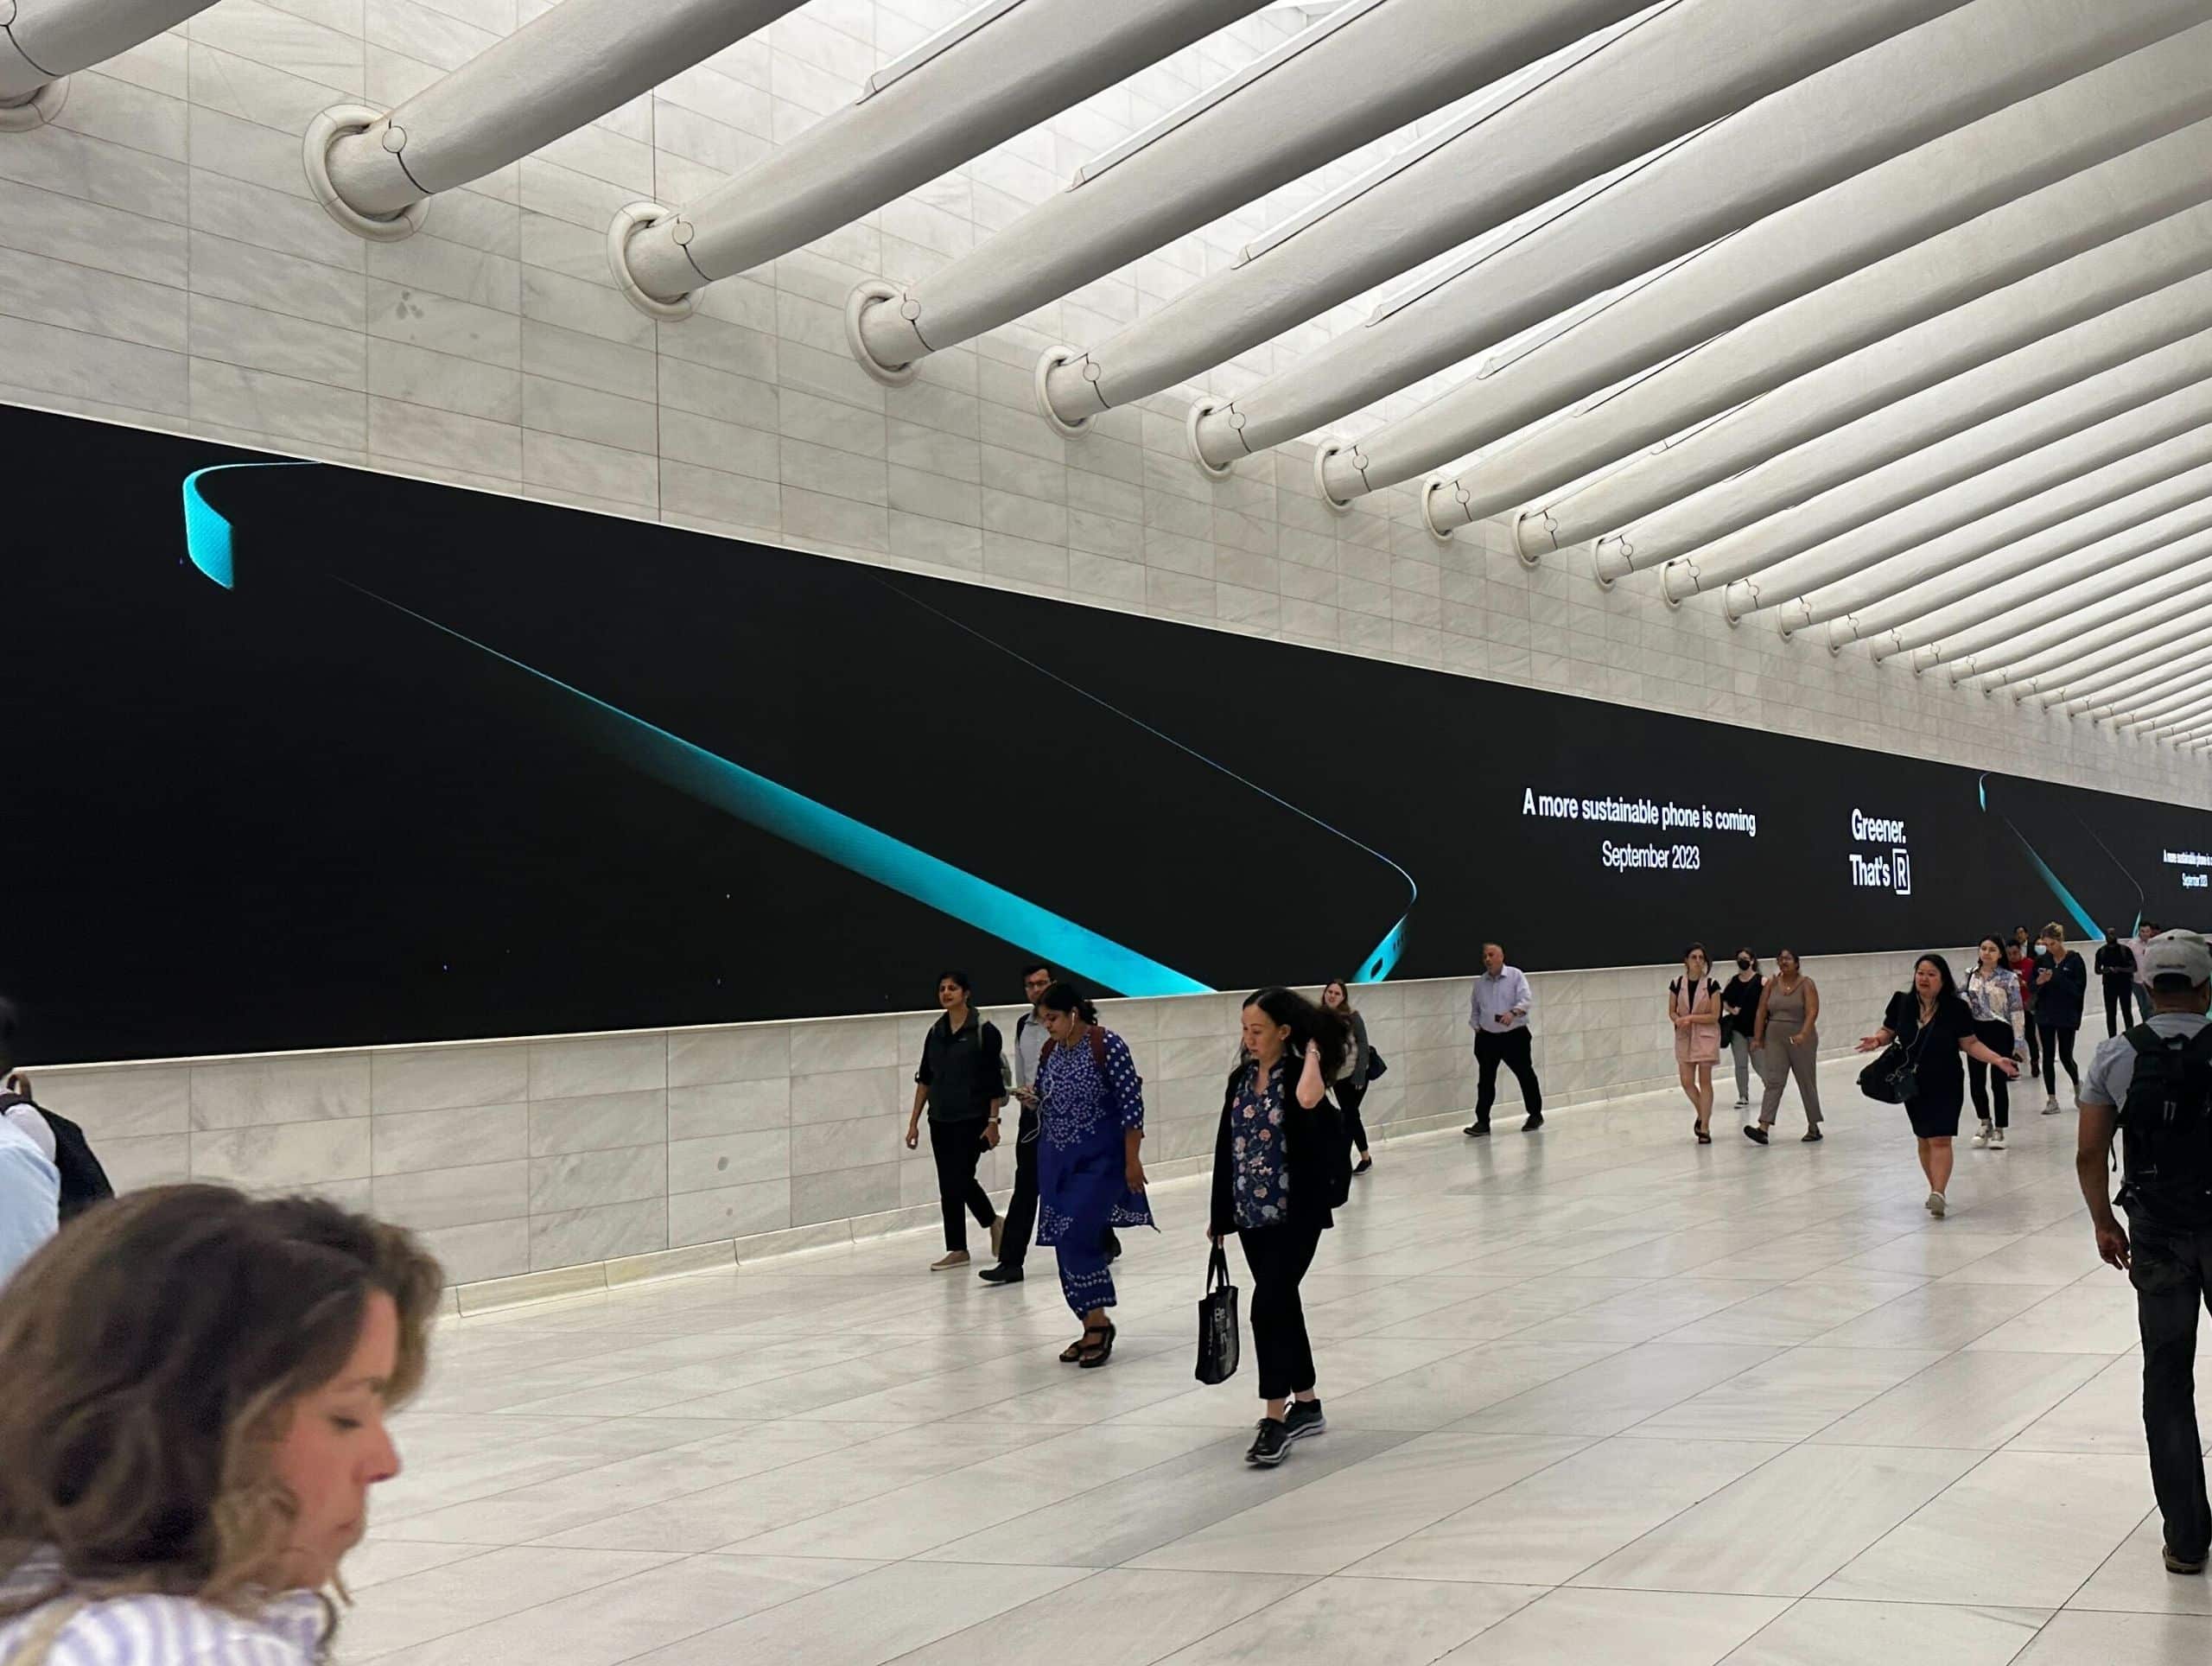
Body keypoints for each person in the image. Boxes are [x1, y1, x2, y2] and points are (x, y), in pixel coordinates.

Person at [0, 1185, 444, 1664]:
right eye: (345, 1418)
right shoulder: (198, 1651)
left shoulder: (36, 1592)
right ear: (197, 1428)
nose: (385, 1462)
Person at [2074, 931, 2212, 1576]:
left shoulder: (2115, 1055)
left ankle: (2186, 1539)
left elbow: (2088, 1153)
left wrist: (2105, 1223)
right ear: (2208, 988)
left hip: (2155, 1234)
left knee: (2167, 1380)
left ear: (2147, 988)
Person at [1211, 987, 1350, 1467]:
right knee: (1282, 1302)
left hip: (1296, 1213)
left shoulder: (1302, 1077)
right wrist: (1219, 1215)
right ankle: (1307, 1404)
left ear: (1283, 1032)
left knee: (1266, 1305)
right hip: (1251, 1214)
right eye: (1244, 1030)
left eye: (1258, 1030)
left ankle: (1274, 1417)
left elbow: (1312, 1101)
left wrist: (1311, 1048)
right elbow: (1226, 1146)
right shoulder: (1239, 1079)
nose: (1249, 1039)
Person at [1032, 983, 1150, 1369]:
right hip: (1057, 1161)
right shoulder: (1051, 1051)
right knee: (1064, 1241)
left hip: (1101, 1161)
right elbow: (1046, 1094)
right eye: (1042, 1019)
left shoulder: (1108, 1045)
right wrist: (1032, 1098)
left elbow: (1132, 1106)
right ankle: (1089, 1323)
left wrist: (1133, 1160)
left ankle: (1098, 1324)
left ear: (1073, 1014)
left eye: (1052, 1018)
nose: (1046, 1026)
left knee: (1075, 1232)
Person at [1857, 953, 2020, 1219]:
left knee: (1940, 1137)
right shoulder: (1902, 1003)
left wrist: (1996, 1059)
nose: (1924, 978)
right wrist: (1877, 1040)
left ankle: (1939, 1193)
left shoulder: (1956, 1009)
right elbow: (1889, 1031)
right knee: (1923, 1137)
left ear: (1943, 980)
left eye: (1931, 974)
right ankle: (1934, 1188)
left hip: (1946, 1080)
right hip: (1912, 1081)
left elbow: (1970, 1044)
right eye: (1920, 973)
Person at [906, 970, 1005, 1272]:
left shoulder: (984, 1031)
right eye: (942, 989)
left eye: (953, 988)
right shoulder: (935, 1032)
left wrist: (993, 1121)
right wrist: (914, 1122)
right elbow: (925, 1078)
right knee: (949, 1184)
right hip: (941, 1119)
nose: (946, 993)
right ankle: (958, 1248)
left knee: (959, 1179)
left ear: (966, 993)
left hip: (973, 1118)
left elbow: (994, 1083)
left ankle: (992, 1221)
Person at [980, 963, 1054, 1286]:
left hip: (1065, 1116)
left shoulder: (1073, 1020)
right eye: (1030, 985)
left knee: (1070, 1183)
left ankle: (1104, 1240)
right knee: (1025, 1186)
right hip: (1032, 1116)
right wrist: (1023, 1094)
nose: (1036, 990)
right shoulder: (1024, 1024)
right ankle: (1011, 1261)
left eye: (1041, 983)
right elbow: (1022, 1068)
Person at [1463, 943, 1541, 1136]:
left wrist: (1513, 1013)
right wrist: (1476, 1027)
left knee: (1525, 1075)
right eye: (1484, 957)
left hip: (1514, 1036)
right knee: (1485, 1080)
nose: (1487, 960)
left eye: (1491, 955)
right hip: (1487, 1038)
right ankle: (1482, 1122)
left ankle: (1535, 1115)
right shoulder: (1480, 983)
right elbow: (1475, 1008)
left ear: (1501, 957)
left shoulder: (1516, 976)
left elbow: (1526, 999)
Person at [1747, 948, 1823, 1144]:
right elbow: (1761, 1010)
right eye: (1780, 959)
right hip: (1775, 1037)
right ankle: (1763, 1127)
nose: (1783, 962)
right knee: (1774, 1081)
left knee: (1806, 1081)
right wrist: (1757, 1037)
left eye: (1788, 958)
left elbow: (1812, 1011)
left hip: (1800, 1037)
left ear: (1797, 962)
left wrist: (1804, 1034)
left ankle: (1813, 1126)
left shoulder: (1807, 984)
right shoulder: (1772, 984)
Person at [1964, 934, 2027, 1151]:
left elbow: (2017, 1010)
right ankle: (1984, 1122)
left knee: (1998, 1082)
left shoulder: (2009, 978)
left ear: (2000, 954)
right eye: (1983, 948)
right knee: (1976, 1080)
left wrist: (2019, 1042)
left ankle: (2000, 1129)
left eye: (1992, 949)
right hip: (1976, 1031)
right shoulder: (1970, 975)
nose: (1986, 953)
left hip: (2000, 1030)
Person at [2033, 924, 2088, 1115]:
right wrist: (2039, 982)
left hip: (2066, 1014)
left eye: (2053, 943)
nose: (2050, 948)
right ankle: (2051, 1099)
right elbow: (2033, 987)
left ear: (2060, 940)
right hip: (2045, 1014)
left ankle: (2076, 1083)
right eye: (2046, 944)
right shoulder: (2041, 960)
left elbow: (2078, 989)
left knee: (2066, 1055)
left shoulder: (2074, 960)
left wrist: (2057, 977)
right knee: (2047, 1056)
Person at [1670, 945, 1723, 1143]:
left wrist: (1691, 1018)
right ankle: (1702, 1113)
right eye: (1694, 957)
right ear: (1686, 961)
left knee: (1705, 1081)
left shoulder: (1712, 984)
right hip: (1684, 1035)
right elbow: (1672, 1011)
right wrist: (1678, 1020)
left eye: (1701, 957)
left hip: (1706, 1036)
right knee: (1686, 1081)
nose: (1698, 961)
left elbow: (1715, 1015)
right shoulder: (1676, 984)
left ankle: (1705, 1127)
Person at [1321, 978, 1374, 1175]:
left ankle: (1356, 1159)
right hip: (1338, 1078)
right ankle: (1361, 1157)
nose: (1332, 996)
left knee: (1349, 1116)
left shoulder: (1352, 1017)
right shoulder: (1320, 1019)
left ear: (1343, 997)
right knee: (1350, 1117)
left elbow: (1363, 1045)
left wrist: (1360, 1073)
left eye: (1337, 993)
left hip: (1356, 1075)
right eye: (1330, 992)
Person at [1720, 951, 1764, 1116]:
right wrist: (1732, 1010)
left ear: (1752, 961)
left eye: (1745, 959)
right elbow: (1724, 1001)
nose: (1742, 962)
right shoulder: (1732, 981)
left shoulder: (1761, 981)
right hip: (1737, 1029)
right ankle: (1743, 1095)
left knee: (1760, 1063)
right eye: (1739, 959)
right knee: (1740, 1064)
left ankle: (1771, 1089)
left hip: (1755, 1029)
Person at [2010, 928, 2044, 1081]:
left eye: (2015, 953)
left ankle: (2035, 1062)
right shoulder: (2005, 967)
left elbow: (2035, 985)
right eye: (2009, 954)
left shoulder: (2030, 964)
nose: (2012, 957)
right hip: (2012, 1009)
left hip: (2027, 1006)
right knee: (2014, 1038)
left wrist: (2024, 984)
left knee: (2030, 1036)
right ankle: (2013, 1066)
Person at [2101, 927, 2142, 1039]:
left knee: (2126, 1011)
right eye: (2109, 935)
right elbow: (2097, 970)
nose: (2111, 937)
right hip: (2109, 986)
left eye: (2113, 934)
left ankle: (2131, 1037)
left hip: (2124, 985)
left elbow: (2134, 968)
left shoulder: (2125, 950)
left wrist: (2120, 969)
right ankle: (2112, 1038)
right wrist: (2107, 970)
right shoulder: (2102, 951)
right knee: (2110, 1014)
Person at [2133, 920, 2166, 1023]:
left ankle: (2154, 1027)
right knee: (2142, 1006)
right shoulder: (2132, 945)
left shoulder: (2156, 945)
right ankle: (2146, 1026)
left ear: (2150, 931)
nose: (2145, 934)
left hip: (2152, 981)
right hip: (2136, 981)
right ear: (2139, 931)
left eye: (2147, 931)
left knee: (2152, 1006)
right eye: (2142, 931)